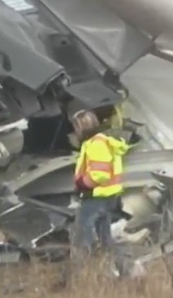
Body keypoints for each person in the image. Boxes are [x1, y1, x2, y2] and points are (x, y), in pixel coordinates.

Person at [58, 108, 131, 288]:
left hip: (95, 198)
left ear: (81, 126)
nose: (74, 131)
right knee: (106, 239)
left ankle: (78, 279)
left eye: (75, 126)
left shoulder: (95, 144)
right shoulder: (101, 141)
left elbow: (100, 174)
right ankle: (125, 271)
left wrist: (83, 183)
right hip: (107, 198)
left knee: (82, 236)